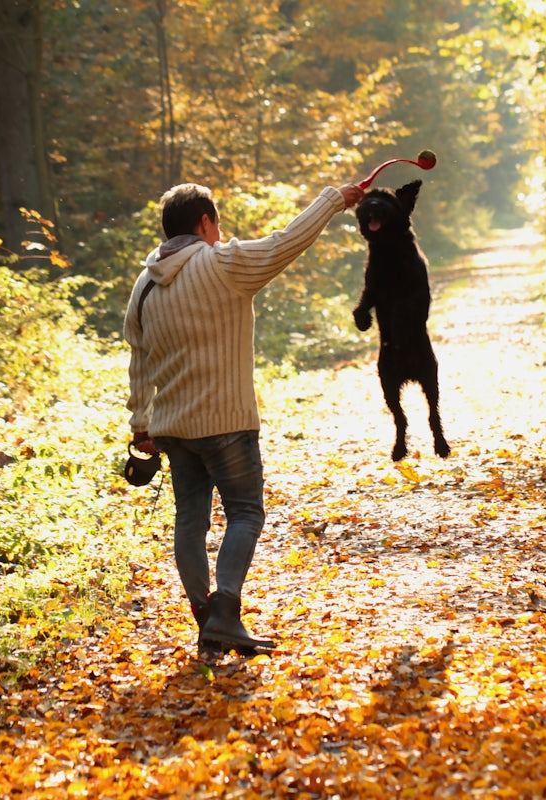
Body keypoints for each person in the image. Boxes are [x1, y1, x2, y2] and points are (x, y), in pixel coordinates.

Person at [124, 179, 364, 657]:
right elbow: (286, 241)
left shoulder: (145, 285)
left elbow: (138, 357)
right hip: (227, 423)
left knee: (189, 522)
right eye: (217, 223)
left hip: (174, 430)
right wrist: (334, 199)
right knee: (245, 512)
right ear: (205, 222)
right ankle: (225, 612)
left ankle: (205, 618)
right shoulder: (223, 264)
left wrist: (141, 423)